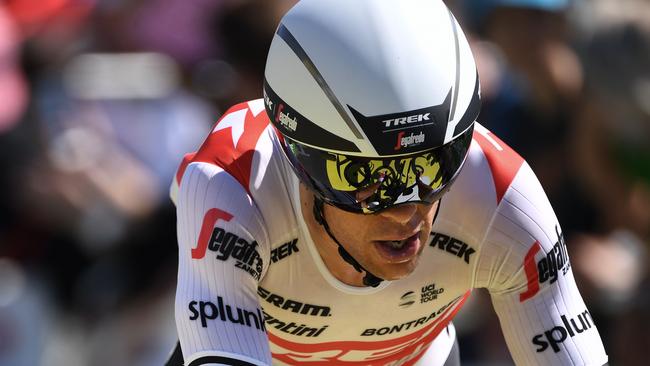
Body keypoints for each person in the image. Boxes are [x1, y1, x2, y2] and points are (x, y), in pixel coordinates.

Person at [165, 1, 609, 365]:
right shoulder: (233, 185)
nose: (405, 210)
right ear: (298, 158)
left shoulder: (500, 191)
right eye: (362, 177)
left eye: (432, 167)